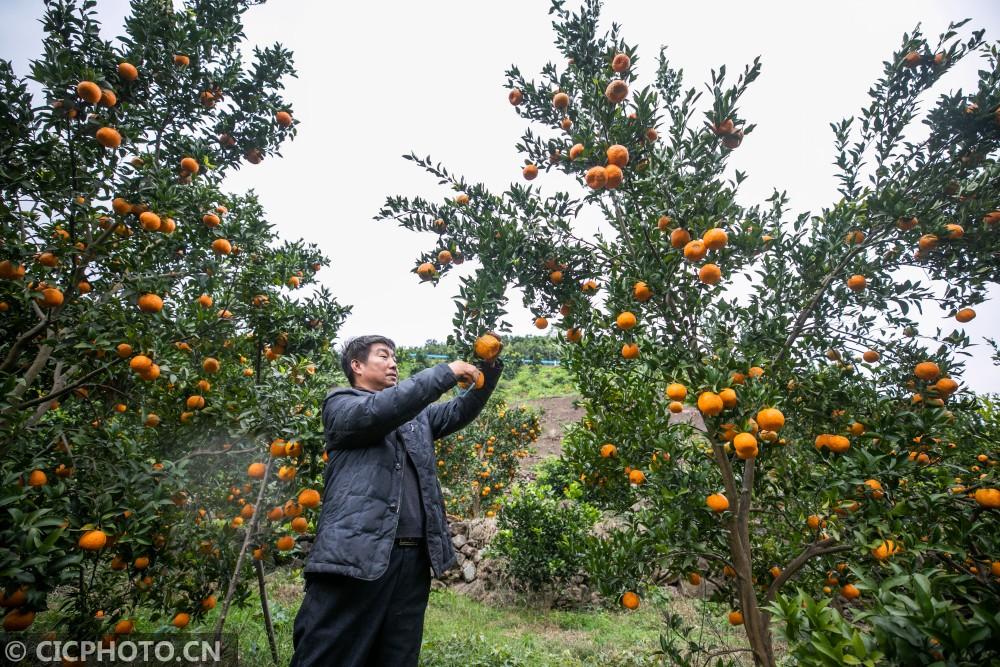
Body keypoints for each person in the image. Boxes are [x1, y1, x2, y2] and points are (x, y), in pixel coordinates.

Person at [289, 334, 502, 667]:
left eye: (395, 358)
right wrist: (444, 372)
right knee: (330, 654)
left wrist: (487, 370)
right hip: (355, 557)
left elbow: (460, 409)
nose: (393, 363)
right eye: (383, 356)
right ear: (357, 366)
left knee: (397, 657)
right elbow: (380, 410)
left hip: (411, 562)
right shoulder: (341, 405)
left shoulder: (417, 419)